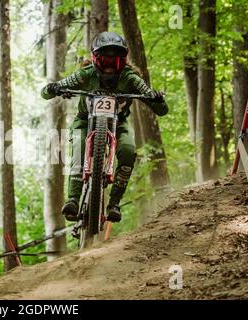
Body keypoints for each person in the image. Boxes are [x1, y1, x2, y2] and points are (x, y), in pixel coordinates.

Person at [41, 31, 168, 223]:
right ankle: (73, 199)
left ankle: (114, 203)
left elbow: (161, 109)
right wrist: (53, 87)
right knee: (78, 145)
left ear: (122, 61)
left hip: (119, 124)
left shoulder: (130, 78)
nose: (109, 67)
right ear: (95, 59)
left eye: (114, 61)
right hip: (85, 120)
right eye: (105, 60)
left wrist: (156, 98)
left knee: (128, 151)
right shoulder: (86, 73)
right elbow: (47, 92)